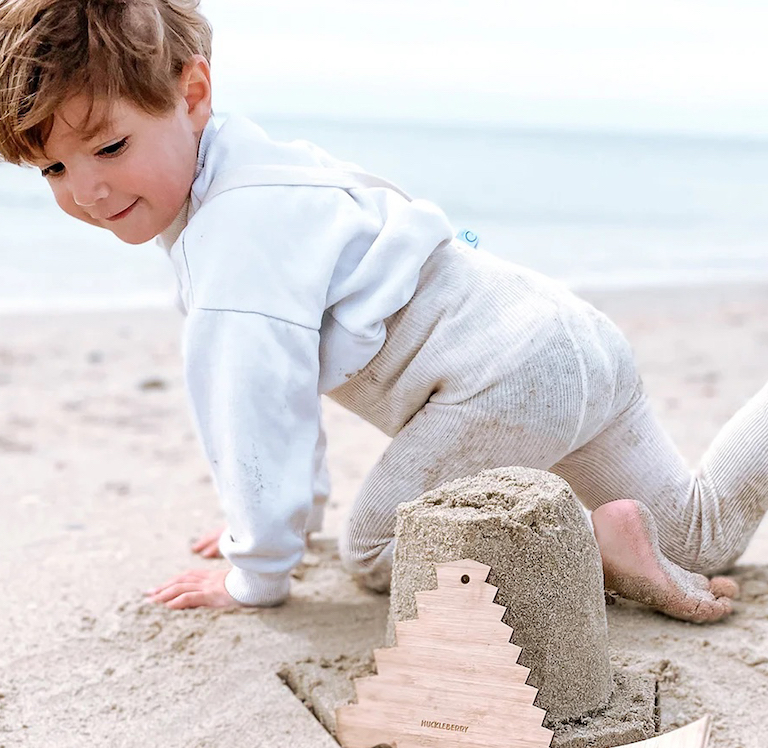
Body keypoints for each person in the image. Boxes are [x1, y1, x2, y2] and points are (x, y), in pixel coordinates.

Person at [0, 0, 759, 623]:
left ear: (192, 94)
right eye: (54, 169)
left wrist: (256, 568)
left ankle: (592, 543)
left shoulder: (230, 243)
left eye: (110, 147)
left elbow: (259, 414)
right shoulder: (264, 160)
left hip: (502, 382)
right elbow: (281, 404)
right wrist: (269, 527)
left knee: (383, 556)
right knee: (694, 535)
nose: (85, 192)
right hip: (566, 332)